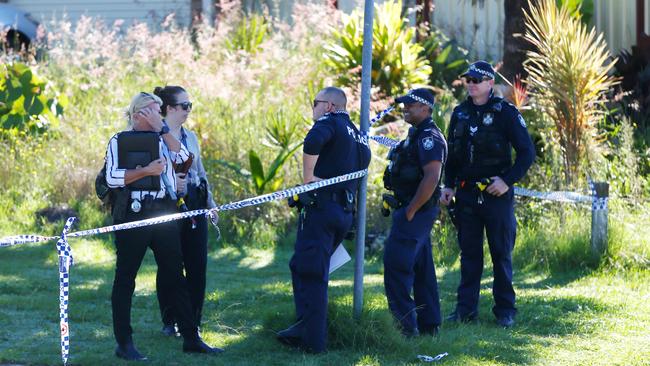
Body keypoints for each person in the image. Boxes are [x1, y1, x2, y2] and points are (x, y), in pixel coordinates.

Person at [105, 92, 222, 360]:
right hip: (133, 216)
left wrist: (163, 129)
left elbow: (184, 157)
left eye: (160, 110)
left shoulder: (165, 139)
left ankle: (191, 338)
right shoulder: (119, 140)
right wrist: (146, 171)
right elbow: (112, 177)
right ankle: (124, 344)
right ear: (137, 115)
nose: (159, 114)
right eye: (152, 111)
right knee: (125, 279)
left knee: (175, 275)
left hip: (164, 212)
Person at [439, 61, 535, 328]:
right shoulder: (459, 114)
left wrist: (506, 181)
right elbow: (452, 156)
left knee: (501, 253)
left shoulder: (505, 112)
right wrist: (448, 186)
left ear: (490, 83)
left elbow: (527, 153)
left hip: (496, 195)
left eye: (476, 79)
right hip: (467, 195)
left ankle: (505, 310)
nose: (471, 83)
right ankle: (465, 310)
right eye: (467, 79)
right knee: (470, 255)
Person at [277, 87, 371, 353]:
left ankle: (313, 342)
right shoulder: (358, 134)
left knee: (312, 274)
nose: (313, 109)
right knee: (301, 265)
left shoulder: (329, 123)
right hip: (343, 213)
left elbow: (314, 140)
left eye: (315, 103)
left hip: (323, 210)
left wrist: (308, 179)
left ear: (329, 106)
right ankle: (303, 325)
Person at [151, 86, 218, 338]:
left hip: (195, 203)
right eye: (184, 106)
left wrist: (211, 204)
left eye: (190, 105)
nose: (189, 110)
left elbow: (200, 172)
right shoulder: (155, 138)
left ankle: (193, 321)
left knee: (197, 264)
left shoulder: (191, 137)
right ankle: (170, 320)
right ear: (169, 109)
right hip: (167, 204)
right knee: (170, 265)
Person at [382, 88, 447, 337]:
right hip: (411, 209)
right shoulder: (415, 135)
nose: (405, 108)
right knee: (422, 270)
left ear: (426, 109)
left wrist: (410, 210)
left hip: (415, 212)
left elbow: (432, 177)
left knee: (397, 265)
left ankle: (404, 329)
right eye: (404, 104)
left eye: (411, 104)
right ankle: (430, 324)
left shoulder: (430, 136)